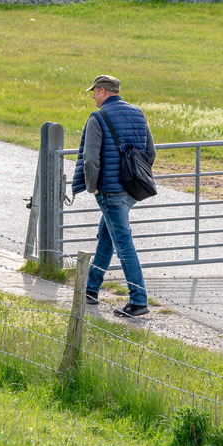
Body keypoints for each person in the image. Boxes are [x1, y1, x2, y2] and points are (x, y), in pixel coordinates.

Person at [72, 75, 156, 318]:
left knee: (123, 244)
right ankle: (90, 290)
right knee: (107, 238)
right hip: (131, 191)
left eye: (94, 92)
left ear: (102, 91)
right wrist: (132, 178)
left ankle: (138, 300)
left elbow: (90, 159)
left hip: (110, 191)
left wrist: (93, 187)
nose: (93, 96)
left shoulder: (98, 117)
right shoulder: (138, 113)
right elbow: (149, 152)